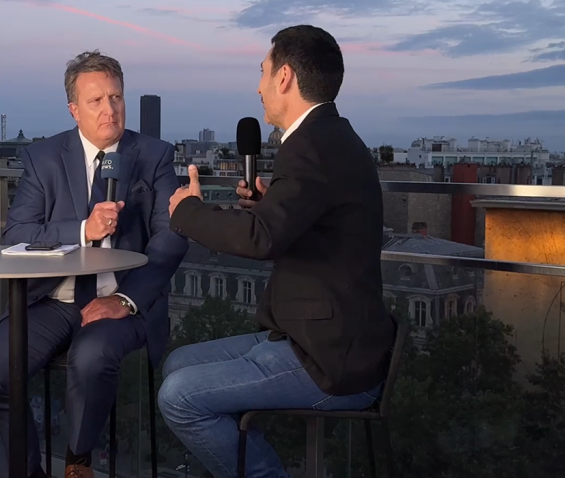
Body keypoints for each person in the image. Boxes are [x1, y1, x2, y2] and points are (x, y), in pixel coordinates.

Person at [159, 25, 396, 478]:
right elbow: (308, 224)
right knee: (177, 362)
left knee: (179, 396)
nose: (258, 85)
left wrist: (187, 212)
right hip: (317, 337)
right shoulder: (332, 137)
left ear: (284, 76)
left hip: (328, 359)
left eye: (263, 72)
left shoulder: (311, 145)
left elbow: (260, 239)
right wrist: (268, 206)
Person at [0, 50, 188, 478]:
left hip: (123, 299)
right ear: (74, 109)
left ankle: (78, 460)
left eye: (116, 97)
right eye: (96, 101)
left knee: (91, 357)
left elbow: (170, 237)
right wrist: (82, 228)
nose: (110, 109)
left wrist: (125, 299)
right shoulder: (43, 158)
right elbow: (17, 236)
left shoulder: (155, 155)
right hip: (52, 298)